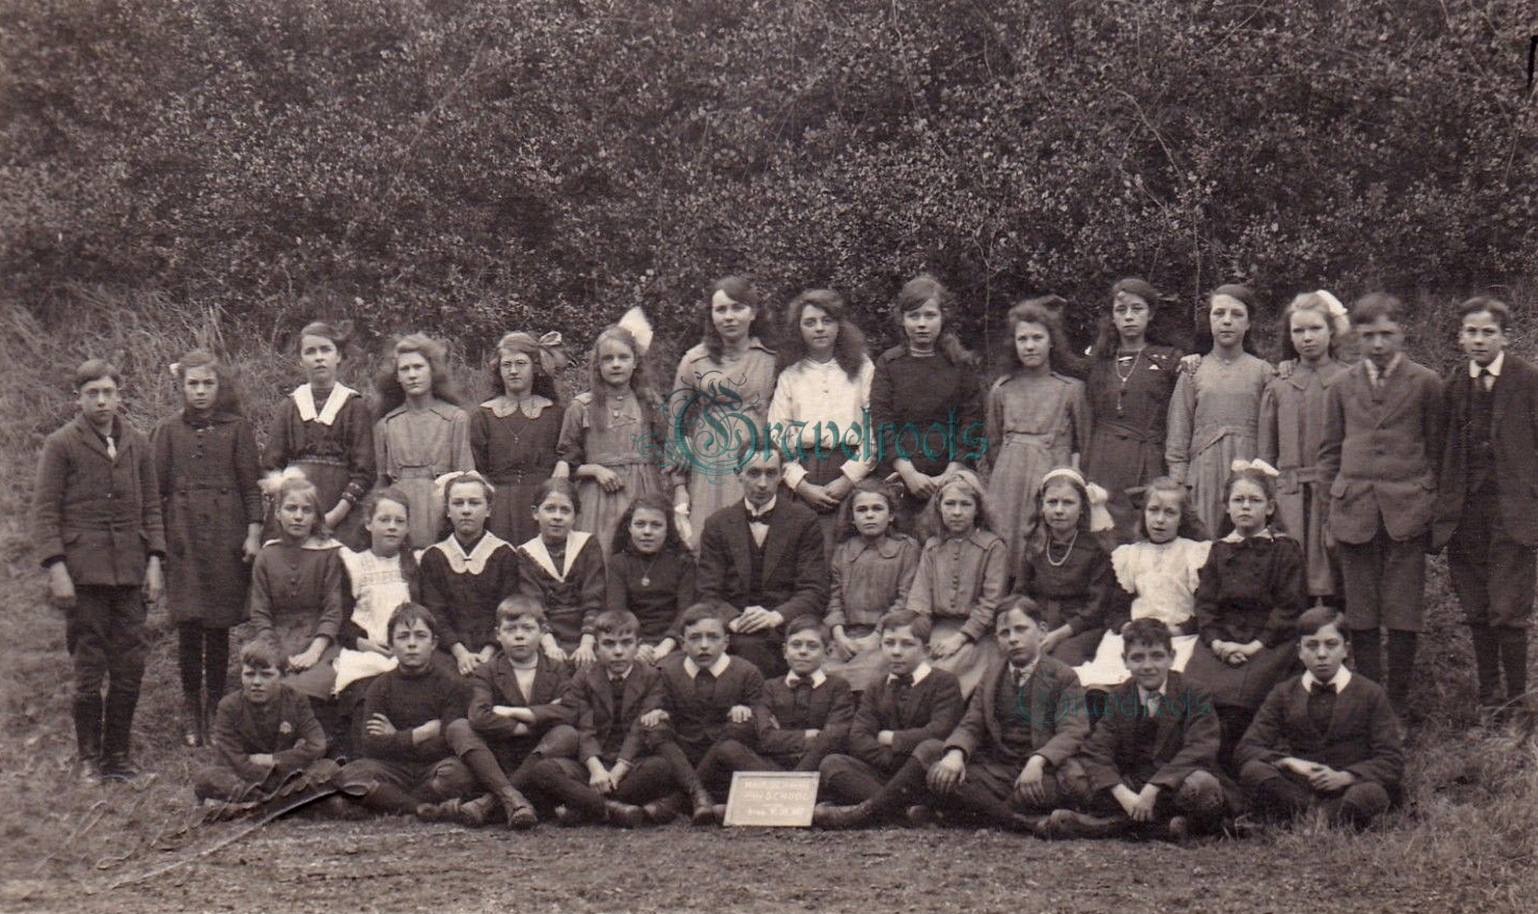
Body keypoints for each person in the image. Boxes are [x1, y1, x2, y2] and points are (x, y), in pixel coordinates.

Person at [816, 597, 1089, 831]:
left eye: (1021, 630)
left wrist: (1038, 761)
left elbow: (1073, 730)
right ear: (997, 638)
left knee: (1049, 790)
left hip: (1042, 772)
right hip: (997, 771)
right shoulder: (993, 674)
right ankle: (906, 811)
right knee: (936, 757)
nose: (1013, 639)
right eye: (1005, 633)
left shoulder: (1062, 676)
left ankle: (1017, 821)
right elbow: (972, 723)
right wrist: (956, 754)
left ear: (1041, 631)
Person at [32, 359, 165, 783]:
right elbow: (45, 511)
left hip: (129, 573)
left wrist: (155, 561)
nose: (102, 401)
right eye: (93, 394)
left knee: (131, 665)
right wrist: (56, 567)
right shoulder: (61, 444)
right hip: (83, 575)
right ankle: (88, 759)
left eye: (108, 392)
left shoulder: (138, 443)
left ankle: (117, 758)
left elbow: (151, 508)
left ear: (119, 395)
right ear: (79, 398)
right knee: (89, 667)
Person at [1317, 292, 1443, 718]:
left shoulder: (1426, 383)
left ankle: (1399, 704)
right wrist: (1329, 517)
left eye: (1387, 334)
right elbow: (1329, 455)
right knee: (1361, 610)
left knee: (1404, 609)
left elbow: (1438, 450)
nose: (1377, 344)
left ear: (1402, 334)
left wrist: (1429, 504)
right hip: (1353, 511)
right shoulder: (1340, 386)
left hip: (1408, 511)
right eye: (1369, 335)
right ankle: (1369, 703)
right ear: (1355, 336)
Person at [1433, 296, 1538, 721]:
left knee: (1509, 609)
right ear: (1460, 337)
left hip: (1513, 513)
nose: (1479, 340)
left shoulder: (1528, 381)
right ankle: (1489, 695)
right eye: (1471, 332)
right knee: (1477, 607)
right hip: (1465, 515)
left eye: (1488, 332)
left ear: (1506, 337)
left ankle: (1517, 699)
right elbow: (1441, 451)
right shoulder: (1453, 387)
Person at [153, 349, 263, 747]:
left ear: (220, 386)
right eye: (192, 384)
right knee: (189, 623)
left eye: (208, 383)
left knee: (217, 624)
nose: (200, 391)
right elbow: (155, 493)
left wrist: (252, 532)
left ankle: (216, 704)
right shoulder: (167, 431)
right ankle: (190, 706)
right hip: (182, 536)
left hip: (225, 536)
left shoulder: (238, 429)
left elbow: (252, 487)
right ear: (181, 388)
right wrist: (159, 544)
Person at [331, 603, 519, 825]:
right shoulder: (379, 686)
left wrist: (394, 736)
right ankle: (421, 808)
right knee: (349, 775)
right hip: (393, 769)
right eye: (403, 637)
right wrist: (418, 734)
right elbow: (370, 744)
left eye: (420, 636)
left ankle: (390, 803)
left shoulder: (451, 684)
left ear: (434, 643)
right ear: (391, 645)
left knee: (458, 774)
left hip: (434, 768)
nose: (412, 644)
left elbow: (448, 742)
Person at [1046, 619, 1228, 840]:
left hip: (1174, 785)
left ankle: (1109, 825)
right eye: (1138, 658)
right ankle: (1158, 827)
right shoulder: (1120, 696)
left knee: (1203, 785)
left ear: (1172, 657)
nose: (1148, 666)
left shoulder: (1194, 692)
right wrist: (1123, 794)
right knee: (1071, 770)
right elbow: (1096, 750)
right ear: (1125, 661)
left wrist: (1154, 788)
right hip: (1132, 786)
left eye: (1157, 656)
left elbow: (1200, 748)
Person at [1182, 461, 1308, 765]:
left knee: (1244, 697)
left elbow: (1289, 606)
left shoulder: (1285, 549)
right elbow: (1206, 606)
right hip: (1223, 640)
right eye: (1238, 500)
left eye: (1254, 500)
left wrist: (1255, 645)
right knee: (1195, 693)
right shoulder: (1218, 550)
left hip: (1269, 640)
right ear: (1226, 507)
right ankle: (1199, 763)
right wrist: (1217, 644)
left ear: (1270, 507)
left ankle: (1236, 763)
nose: (1246, 507)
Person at [1236, 606, 1404, 829]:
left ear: (1345, 650)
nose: (1322, 654)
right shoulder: (1284, 692)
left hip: (1349, 787)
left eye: (1331, 645)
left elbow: (1391, 760)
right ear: (1300, 651)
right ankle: (1317, 817)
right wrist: (1290, 763)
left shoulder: (1370, 693)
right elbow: (1247, 748)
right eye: (1312, 646)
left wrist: (1346, 776)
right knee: (1253, 771)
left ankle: (1300, 821)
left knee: (1371, 793)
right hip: (1299, 789)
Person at [418, 596, 573, 829]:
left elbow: (570, 710)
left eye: (528, 629)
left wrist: (520, 713)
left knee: (567, 733)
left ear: (542, 632)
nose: (519, 635)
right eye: (510, 629)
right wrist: (525, 726)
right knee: (458, 727)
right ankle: (512, 797)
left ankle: (494, 801)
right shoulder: (487, 670)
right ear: (498, 635)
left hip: (540, 754)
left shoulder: (557, 668)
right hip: (499, 756)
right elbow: (479, 716)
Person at [527, 609, 686, 827]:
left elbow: (640, 730)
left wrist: (618, 772)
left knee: (661, 767)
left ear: (638, 645)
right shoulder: (584, 675)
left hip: (631, 765)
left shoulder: (652, 676)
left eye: (626, 643)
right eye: (609, 644)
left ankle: (583, 808)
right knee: (543, 770)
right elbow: (584, 727)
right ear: (597, 648)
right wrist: (597, 769)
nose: (618, 651)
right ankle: (610, 809)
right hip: (592, 763)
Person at [815, 610, 964, 824]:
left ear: (926, 649)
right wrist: (892, 758)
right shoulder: (877, 685)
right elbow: (859, 736)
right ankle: (904, 812)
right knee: (832, 763)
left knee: (930, 749)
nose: (896, 652)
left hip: (921, 772)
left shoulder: (944, 682)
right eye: (889, 643)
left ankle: (866, 812)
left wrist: (893, 740)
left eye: (906, 644)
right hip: (886, 771)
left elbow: (940, 731)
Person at [696, 446, 828, 678]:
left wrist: (774, 616)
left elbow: (814, 590)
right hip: (735, 630)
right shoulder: (717, 524)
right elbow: (708, 591)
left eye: (771, 473)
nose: (763, 483)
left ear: (781, 475)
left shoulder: (804, 521)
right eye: (754, 473)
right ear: (739, 473)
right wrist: (735, 620)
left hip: (787, 628)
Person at [868, 274, 986, 526]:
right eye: (914, 316)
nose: (922, 324)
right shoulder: (889, 364)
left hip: (951, 479)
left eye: (930, 315)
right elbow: (881, 421)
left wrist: (952, 472)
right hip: (899, 477)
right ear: (902, 320)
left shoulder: (961, 365)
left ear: (943, 318)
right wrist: (908, 472)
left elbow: (972, 421)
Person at [671, 276, 780, 549]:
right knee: (708, 536)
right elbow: (676, 422)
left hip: (758, 457)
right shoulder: (694, 360)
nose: (729, 317)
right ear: (711, 315)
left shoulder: (771, 358)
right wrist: (677, 484)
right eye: (721, 310)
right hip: (710, 459)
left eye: (738, 308)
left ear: (753, 312)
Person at [1258, 291, 1352, 605]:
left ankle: (1339, 645)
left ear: (1332, 331)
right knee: (1292, 579)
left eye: (1315, 329)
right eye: (1298, 331)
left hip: (1334, 495)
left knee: (1338, 576)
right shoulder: (1279, 385)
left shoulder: (1349, 380)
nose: (1307, 338)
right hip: (1290, 497)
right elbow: (1266, 454)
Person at [984, 299, 1090, 575]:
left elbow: (1084, 443)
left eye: (1037, 338)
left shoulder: (1071, 390)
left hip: (1051, 477)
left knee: (1045, 539)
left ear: (1051, 341)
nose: (1029, 346)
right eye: (1022, 339)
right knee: (1005, 539)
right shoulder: (1002, 389)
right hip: (1008, 481)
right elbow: (993, 442)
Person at [1074, 477, 1212, 689]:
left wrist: (1177, 630)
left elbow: (1206, 607)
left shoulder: (1195, 553)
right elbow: (1117, 608)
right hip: (1136, 634)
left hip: (1178, 636)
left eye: (1170, 513)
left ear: (1182, 518)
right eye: (1153, 510)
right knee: (1112, 670)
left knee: (1177, 676)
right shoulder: (1130, 555)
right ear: (1143, 513)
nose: (1159, 520)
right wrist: (1127, 626)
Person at [767, 289, 876, 556]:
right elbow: (777, 436)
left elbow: (875, 431)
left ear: (840, 324)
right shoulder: (791, 375)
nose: (819, 329)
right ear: (799, 329)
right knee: (802, 552)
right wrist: (801, 485)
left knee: (848, 551)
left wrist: (848, 480)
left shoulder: (862, 368)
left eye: (827, 320)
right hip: (804, 474)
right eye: (810, 322)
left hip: (850, 471)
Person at [696, 615, 855, 791]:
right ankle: (789, 793)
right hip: (772, 767)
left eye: (812, 646)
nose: (802, 651)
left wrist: (792, 742)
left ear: (827, 651)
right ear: (785, 651)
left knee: (831, 757)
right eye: (796, 645)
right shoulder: (770, 687)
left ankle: (784, 791)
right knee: (729, 748)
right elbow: (766, 738)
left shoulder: (838, 687)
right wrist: (809, 736)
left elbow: (833, 737)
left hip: (815, 767)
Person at [641, 601, 766, 824]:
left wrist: (747, 710)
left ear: (726, 642)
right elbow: (654, 704)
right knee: (654, 727)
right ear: (682, 643)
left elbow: (762, 712)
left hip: (722, 755)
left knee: (742, 724)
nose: (704, 645)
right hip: (684, 754)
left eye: (712, 637)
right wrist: (658, 713)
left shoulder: (747, 671)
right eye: (695, 638)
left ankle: (681, 799)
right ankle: (698, 794)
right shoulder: (668, 671)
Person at [1166, 284, 1276, 535]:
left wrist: (1265, 479)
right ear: (1209, 320)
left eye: (1236, 314)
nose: (1227, 321)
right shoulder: (1193, 371)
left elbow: (1270, 432)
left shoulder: (1264, 372)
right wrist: (1178, 479)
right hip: (1204, 472)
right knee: (1205, 539)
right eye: (1219, 313)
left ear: (1248, 324)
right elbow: (1178, 431)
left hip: (1249, 468)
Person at [194, 635, 339, 819]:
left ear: (283, 676)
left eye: (266, 675)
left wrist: (272, 759)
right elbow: (236, 760)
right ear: (241, 675)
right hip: (247, 780)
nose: (256, 682)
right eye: (249, 674)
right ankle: (287, 805)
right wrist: (274, 781)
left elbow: (317, 745)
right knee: (207, 778)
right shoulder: (228, 706)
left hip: (284, 774)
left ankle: (248, 810)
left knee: (329, 768)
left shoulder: (296, 700)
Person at [1082, 279, 1184, 536]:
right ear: (1112, 316)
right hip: (1103, 458)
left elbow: (1179, 415)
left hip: (1147, 456)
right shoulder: (1097, 359)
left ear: (1150, 314)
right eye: (1121, 310)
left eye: (1137, 309)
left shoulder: (1169, 359)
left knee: (1144, 527)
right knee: (1102, 527)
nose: (1129, 317)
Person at [556, 323, 668, 557]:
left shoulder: (649, 402)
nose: (616, 364)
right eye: (608, 359)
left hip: (642, 490)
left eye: (623, 357)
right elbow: (566, 464)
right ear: (598, 365)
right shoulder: (581, 407)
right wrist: (595, 470)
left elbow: (668, 448)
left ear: (635, 362)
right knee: (602, 553)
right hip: (598, 496)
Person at [261, 320, 374, 547]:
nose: (319, 357)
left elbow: (364, 470)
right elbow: (271, 465)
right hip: (295, 511)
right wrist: (290, 508)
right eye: (310, 352)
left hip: (341, 513)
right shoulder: (290, 406)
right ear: (301, 360)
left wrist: (335, 515)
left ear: (339, 356)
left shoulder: (354, 405)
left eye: (325, 350)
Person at [334, 487, 420, 755]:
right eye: (384, 520)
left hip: (410, 649)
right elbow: (340, 620)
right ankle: (363, 767)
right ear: (369, 523)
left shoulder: (416, 564)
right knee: (367, 695)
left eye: (399, 521)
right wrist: (364, 644)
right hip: (368, 652)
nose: (392, 527)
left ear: (407, 527)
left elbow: (428, 613)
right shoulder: (353, 564)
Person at [906, 469, 1007, 697]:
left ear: (978, 509)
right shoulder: (932, 547)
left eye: (965, 504)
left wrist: (960, 638)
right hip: (936, 630)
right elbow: (919, 601)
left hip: (976, 635)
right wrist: (922, 638)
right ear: (939, 507)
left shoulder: (992, 547)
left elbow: (991, 603)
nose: (957, 512)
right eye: (950, 504)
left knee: (941, 675)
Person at [249, 474, 345, 709]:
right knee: (268, 684)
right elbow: (260, 613)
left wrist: (315, 651)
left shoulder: (328, 554)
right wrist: (276, 652)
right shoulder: (266, 556)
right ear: (278, 514)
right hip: (276, 640)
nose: (299, 516)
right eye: (291, 508)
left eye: (306, 510)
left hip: (318, 640)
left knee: (313, 685)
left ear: (316, 517)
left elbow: (333, 609)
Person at [374, 333, 475, 549]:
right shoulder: (387, 425)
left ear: (432, 371)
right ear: (397, 377)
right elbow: (380, 484)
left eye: (418, 367)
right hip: (400, 514)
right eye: (405, 369)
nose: (412, 375)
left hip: (441, 514)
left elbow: (465, 479)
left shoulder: (455, 419)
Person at [822, 480, 921, 692]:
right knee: (825, 680)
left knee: (872, 680)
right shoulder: (843, 551)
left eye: (877, 509)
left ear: (891, 515)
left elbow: (905, 600)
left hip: (888, 636)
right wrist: (839, 635)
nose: (869, 515)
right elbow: (834, 598)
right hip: (847, 638)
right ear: (852, 518)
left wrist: (877, 636)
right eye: (861, 510)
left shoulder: (907, 549)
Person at [472, 331, 568, 545]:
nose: (513, 371)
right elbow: (478, 467)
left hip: (544, 505)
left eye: (520, 363)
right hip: (498, 506)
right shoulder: (483, 416)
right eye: (507, 365)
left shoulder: (555, 413)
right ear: (498, 369)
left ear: (535, 367)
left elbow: (569, 454)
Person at [419, 472, 519, 676]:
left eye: (474, 503)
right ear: (447, 510)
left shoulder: (504, 554)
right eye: (458, 503)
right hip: (448, 651)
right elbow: (434, 612)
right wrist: (460, 653)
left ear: (488, 509)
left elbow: (508, 608)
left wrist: (488, 652)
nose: (466, 510)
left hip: (496, 649)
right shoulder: (434, 557)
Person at [1015, 468, 1115, 666]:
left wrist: (1059, 634)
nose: (1059, 510)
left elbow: (1097, 607)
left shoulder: (1097, 549)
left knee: (1059, 664)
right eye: (1052, 502)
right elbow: (1021, 592)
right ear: (1042, 506)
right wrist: (1031, 628)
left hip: (1079, 628)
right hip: (1038, 624)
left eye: (1068, 503)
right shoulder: (1035, 544)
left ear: (1082, 508)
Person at [516, 478, 606, 665]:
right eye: (550, 509)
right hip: (546, 635)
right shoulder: (526, 553)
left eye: (565, 510)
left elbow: (594, 597)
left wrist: (587, 644)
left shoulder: (587, 545)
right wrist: (550, 646)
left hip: (587, 633)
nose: (557, 517)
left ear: (575, 516)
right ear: (535, 513)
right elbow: (534, 606)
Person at [604, 493, 697, 664]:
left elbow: (686, 611)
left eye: (656, 525)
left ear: (668, 528)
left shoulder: (683, 563)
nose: (647, 532)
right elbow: (617, 611)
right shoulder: (619, 563)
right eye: (640, 524)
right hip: (631, 642)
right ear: (630, 528)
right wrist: (637, 645)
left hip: (674, 643)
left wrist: (666, 646)